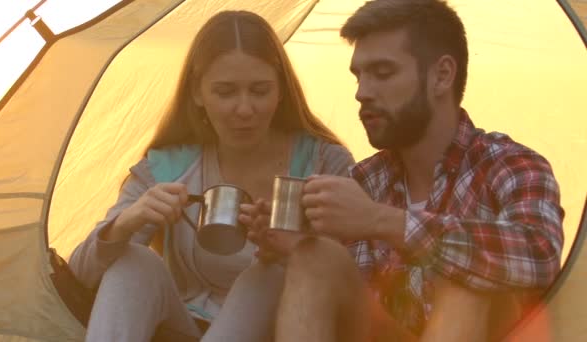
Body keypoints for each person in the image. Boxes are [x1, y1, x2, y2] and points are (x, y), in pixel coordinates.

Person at [241, 0, 565, 341]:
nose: (362, 93)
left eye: (383, 73)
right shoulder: (363, 182)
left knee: (466, 281)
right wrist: (292, 245)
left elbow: (540, 254)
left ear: (442, 75)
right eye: (358, 76)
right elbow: (352, 303)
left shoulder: (510, 166)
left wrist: (381, 221)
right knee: (315, 258)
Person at [68, 10, 354, 342]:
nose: (244, 109)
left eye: (259, 90)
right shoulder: (168, 168)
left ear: (280, 92)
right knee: (134, 263)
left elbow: (361, 275)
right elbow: (79, 276)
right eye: (226, 92)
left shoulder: (322, 164)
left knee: (265, 275)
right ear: (198, 94)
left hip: (290, 330)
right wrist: (126, 222)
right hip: (187, 328)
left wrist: (295, 248)